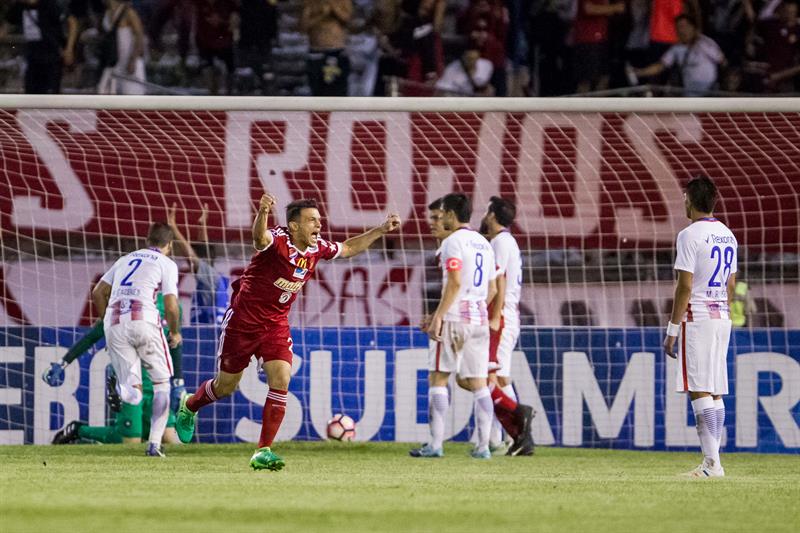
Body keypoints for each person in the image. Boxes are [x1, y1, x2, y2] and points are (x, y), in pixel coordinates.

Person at [176, 194, 401, 471]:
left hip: (275, 324)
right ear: (294, 226)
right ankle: (190, 405)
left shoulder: (317, 247)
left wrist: (379, 229)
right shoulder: (278, 240)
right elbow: (259, 240)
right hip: (242, 323)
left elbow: (347, 248)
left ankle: (263, 451)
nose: (318, 226)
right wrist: (262, 212)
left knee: (281, 377)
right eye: (311, 221)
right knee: (226, 386)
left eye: (319, 220)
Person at [663, 176, 737, 478]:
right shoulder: (728, 235)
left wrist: (672, 328)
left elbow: (685, 286)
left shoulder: (689, 235)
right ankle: (713, 461)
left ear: (689, 200)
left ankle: (711, 464)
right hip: (722, 316)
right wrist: (722, 309)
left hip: (698, 317)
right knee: (715, 390)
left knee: (699, 389)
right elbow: (732, 283)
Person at [415, 193, 497, 459]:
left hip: (453, 319)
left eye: (442, 213)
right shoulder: (484, 243)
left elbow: (454, 283)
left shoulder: (453, 242)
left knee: (438, 377)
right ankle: (484, 447)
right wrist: (473, 306)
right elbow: (493, 287)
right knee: (479, 383)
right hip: (479, 319)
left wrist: (439, 315)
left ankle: (435, 445)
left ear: (450, 214)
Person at [90, 222, 182, 457]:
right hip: (145, 322)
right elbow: (171, 305)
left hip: (115, 324)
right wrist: (175, 332)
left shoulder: (124, 259)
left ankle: (122, 386)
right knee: (162, 383)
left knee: (134, 391)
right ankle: (153, 445)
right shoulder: (166, 263)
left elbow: (98, 293)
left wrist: (106, 320)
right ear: (169, 245)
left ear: (147, 240)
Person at [45, 293, 185, 445]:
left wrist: (178, 381)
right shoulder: (123, 306)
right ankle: (79, 430)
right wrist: (63, 362)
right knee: (131, 442)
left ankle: (133, 432)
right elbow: (92, 336)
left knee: (170, 439)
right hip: (130, 382)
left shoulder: (170, 304)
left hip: (156, 384)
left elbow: (175, 341)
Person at [480, 196, 535, 456]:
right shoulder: (505, 241)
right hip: (503, 315)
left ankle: (516, 431)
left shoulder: (501, 242)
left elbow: (498, 280)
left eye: (486, 212)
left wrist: (492, 313)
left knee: (494, 377)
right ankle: (503, 438)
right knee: (497, 376)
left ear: (492, 215)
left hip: (501, 316)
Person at [167, 203, 229, 326]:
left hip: (210, 337)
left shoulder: (211, 279)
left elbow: (192, 257)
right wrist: (202, 226)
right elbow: (203, 254)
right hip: (207, 334)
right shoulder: (211, 280)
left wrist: (173, 228)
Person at [634, 15, 726, 96]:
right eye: (679, 27)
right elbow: (660, 66)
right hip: (691, 95)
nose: (682, 30)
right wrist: (639, 72)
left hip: (710, 94)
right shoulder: (676, 49)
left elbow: (723, 61)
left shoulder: (705, 42)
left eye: (685, 26)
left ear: (693, 27)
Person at [7, 0, 65, 94]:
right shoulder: (20, 7)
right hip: (32, 55)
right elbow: (9, 21)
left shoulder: (49, 5)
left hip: (51, 53)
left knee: (51, 89)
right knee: (31, 88)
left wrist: (68, 48)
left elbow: (67, 21)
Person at [301, 0, 352, 96]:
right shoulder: (310, 3)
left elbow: (348, 20)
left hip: (336, 49)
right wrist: (321, 15)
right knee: (318, 90)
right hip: (317, 50)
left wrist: (333, 7)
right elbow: (303, 26)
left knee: (338, 91)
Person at [97, 0, 147, 95]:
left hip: (129, 60)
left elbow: (139, 37)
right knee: (105, 93)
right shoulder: (106, 14)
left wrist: (133, 60)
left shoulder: (129, 13)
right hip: (113, 62)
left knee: (132, 97)